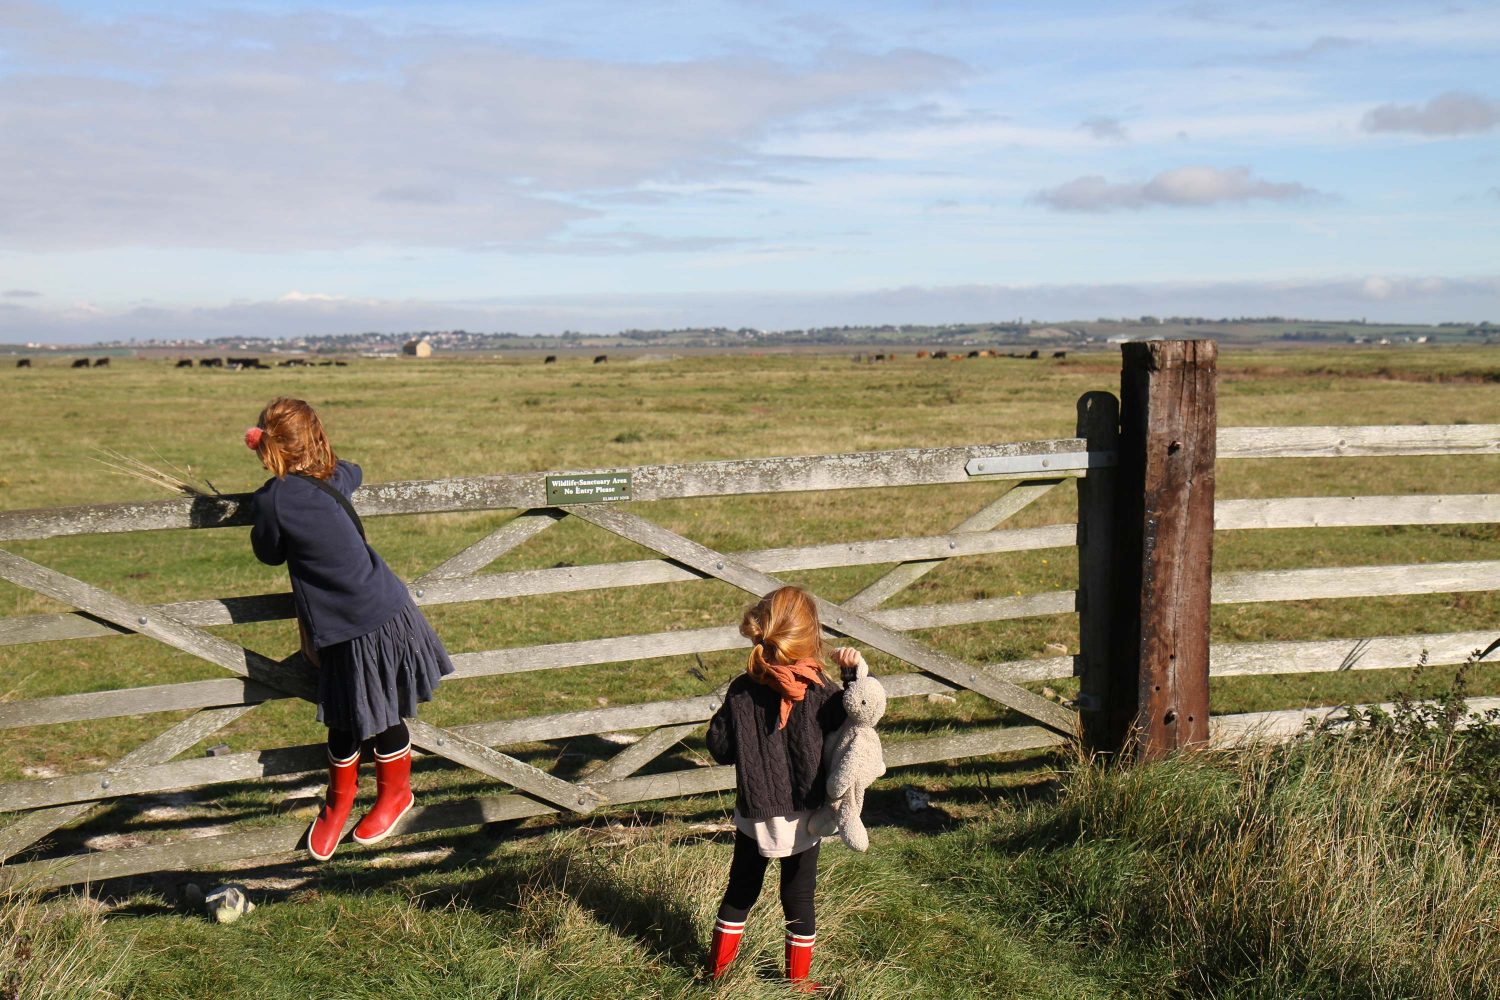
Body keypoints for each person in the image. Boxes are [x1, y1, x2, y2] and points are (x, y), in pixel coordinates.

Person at [246, 396, 453, 861]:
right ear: (315, 440)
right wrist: (321, 460)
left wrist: (268, 479)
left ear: (265, 447)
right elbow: (352, 470)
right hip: (382, 607)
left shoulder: (272, 500)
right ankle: (342, 803)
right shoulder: (334, 477)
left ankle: (387, 797)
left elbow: (269, 552)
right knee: (353, 716)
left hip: (357, 624)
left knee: (366, 715)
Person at [705, 585, 863, 991]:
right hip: (804, 815)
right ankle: (798, 984)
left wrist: (726, 719)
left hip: (754, 813)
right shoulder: (821, 691)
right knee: (798, 898)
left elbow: (720, 750)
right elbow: (854, 725)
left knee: (740, 891)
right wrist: (852, 675)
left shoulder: (742, 689)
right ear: (811, 638)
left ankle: (716, 977)